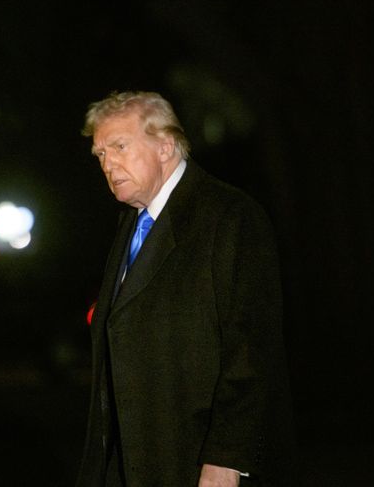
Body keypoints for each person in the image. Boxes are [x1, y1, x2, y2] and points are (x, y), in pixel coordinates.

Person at [75, 91, 297, 486]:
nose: (108, 164)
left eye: (120, 146)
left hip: (194, 463)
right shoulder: (131, 224)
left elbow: (252, 347)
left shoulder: (230, 217)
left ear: (165, 146)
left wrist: (226, 458)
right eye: (101, 154)